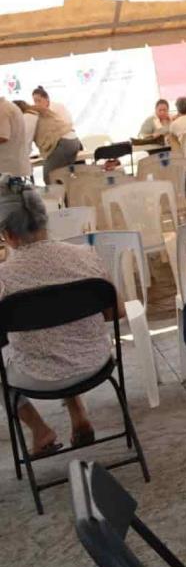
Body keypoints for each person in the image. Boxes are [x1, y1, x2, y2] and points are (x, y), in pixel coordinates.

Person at [0, 176, 115, 457]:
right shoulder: (86, 256)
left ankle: (40, 431)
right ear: (44, 220)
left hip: (37, 376)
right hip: (96, 363)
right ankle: (78, 412)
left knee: (34, 347)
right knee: (59, 333)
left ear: (7, 234)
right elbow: (116, 312)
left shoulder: (4, 278)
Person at [28, 96, 81, 177]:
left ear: (47, 99)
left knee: (49, 176)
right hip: (73, 139)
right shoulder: (43, 111)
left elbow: (27, 139)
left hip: (63, 142)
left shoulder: (30, 114)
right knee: (65, 175)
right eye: (35, 101)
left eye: (39, 100)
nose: (37, 103)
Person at [0, 96, 29, 178]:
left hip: (8, 168)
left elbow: (3, 137)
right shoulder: (7, 106)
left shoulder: (2, 109)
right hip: (11, 165)